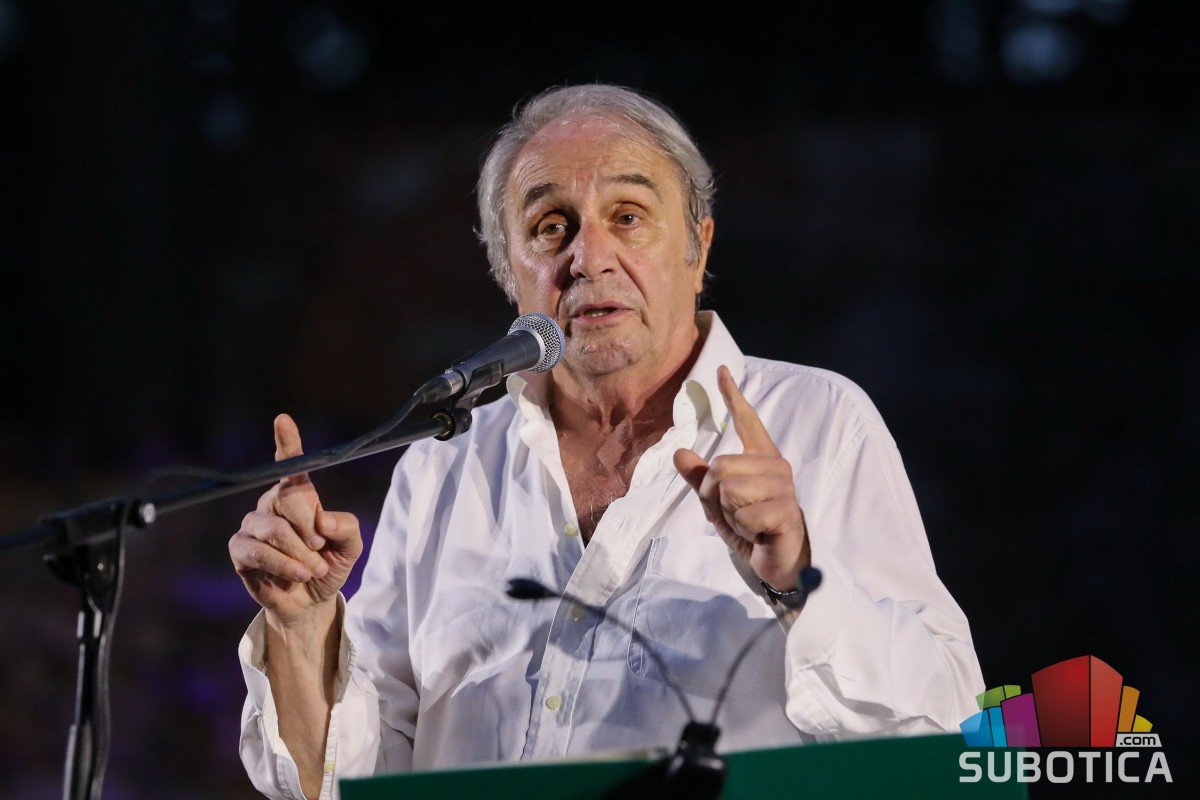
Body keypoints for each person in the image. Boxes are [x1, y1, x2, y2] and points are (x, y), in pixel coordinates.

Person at [229, 85, 985, 800]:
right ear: (509, 273)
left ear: (697, 249)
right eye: (549, 227)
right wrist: (301, 631)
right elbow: (354, 782)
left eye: (627, 216)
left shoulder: (819, 423)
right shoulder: (441, 466)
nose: (588, 257)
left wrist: (799, 579)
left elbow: (949, 731)